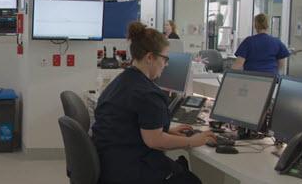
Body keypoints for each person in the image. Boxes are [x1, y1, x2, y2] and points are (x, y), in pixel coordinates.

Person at [92, 22, 215, 184]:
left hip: (110, 165)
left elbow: (128, 125)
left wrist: (168, 131)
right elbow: (155, 141)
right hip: (130, 171)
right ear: (150, 57)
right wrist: (192, 141)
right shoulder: (148, 94)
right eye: (165, 58)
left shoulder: (121, 81)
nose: (167, 64)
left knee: (180, 169)